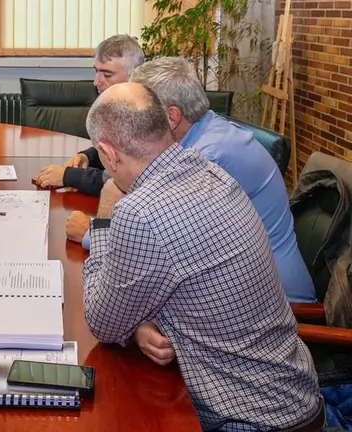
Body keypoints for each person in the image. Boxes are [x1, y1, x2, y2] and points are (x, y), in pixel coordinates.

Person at [81, 82, 322, 431]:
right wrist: (136, 328)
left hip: (249, 420)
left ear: (108, 152)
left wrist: (103, 217)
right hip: (294, 394)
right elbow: (186, 281)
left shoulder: (141, 212)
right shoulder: (210, 171)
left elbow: (102, 321)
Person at [70, 56, 316, 303]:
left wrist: (93, 233)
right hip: (228, 286)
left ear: (170, 117)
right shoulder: (206, 130)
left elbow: (155, 246)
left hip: (274, 303)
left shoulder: (206, 158)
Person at [35, 34, 145, 198]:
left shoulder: (144, 114)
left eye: (107, 75)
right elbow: (115, 149)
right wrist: (88, 157)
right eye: (96, 71)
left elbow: (120, 181)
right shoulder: (118, 105)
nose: (96, 82)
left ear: (134, 75)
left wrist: (68, 176)